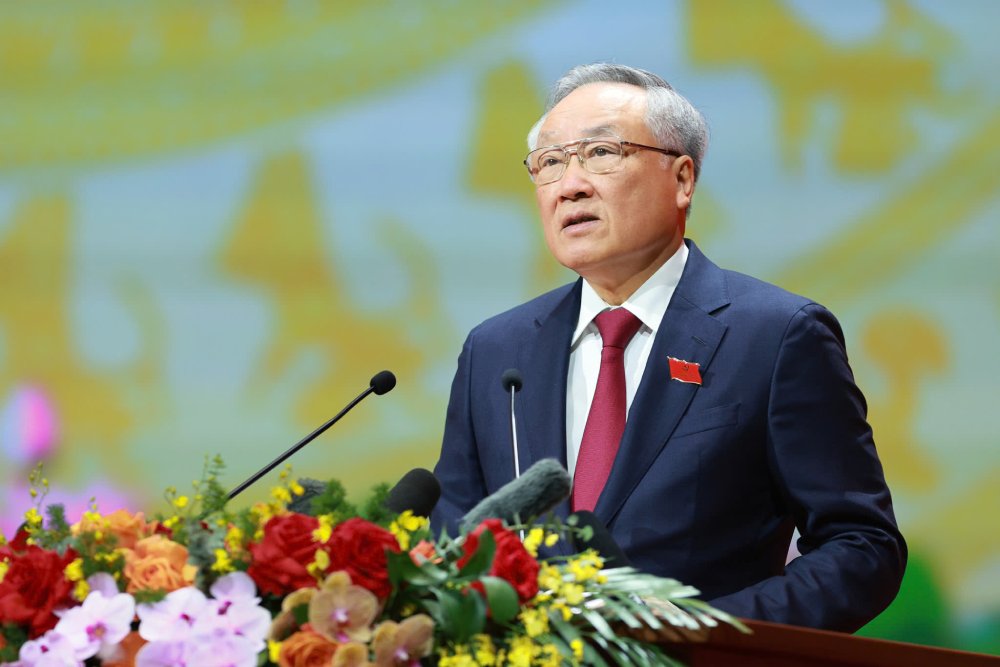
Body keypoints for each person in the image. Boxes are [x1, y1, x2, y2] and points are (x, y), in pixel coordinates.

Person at [431, 63, 905, 632]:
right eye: (550, 163)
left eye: (601, 152)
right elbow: (452, 544)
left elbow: (862, 546)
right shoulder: (496, 349)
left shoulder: (776, 335)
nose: (570, 184)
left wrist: (699, 632)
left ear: (682, 179)